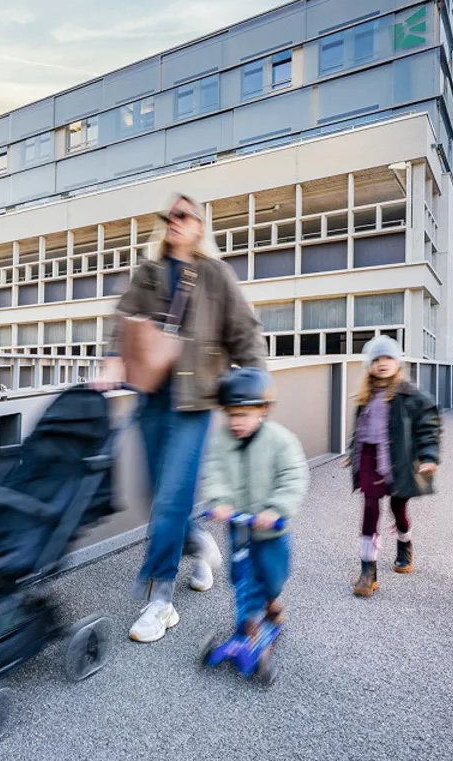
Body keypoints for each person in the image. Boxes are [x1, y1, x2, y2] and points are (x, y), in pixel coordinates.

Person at [95, 193, 266, 643]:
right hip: (150, 399)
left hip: (193, 405)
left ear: (198, 227)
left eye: (183, 215)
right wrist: (113, 359)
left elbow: (245, 333)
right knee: (154, 496)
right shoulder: (149, 273)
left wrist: (256, 391)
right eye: (169, 215)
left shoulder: (214, 275)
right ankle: (198, 543)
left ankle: (160, 602)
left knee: (171, 498)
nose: (173, 220)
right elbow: (123, 322)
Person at [199, 368, 308, 636]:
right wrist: (220, 501)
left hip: (271, 528)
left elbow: (294, 476)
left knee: (273, 577)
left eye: (243, 415)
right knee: (240, 577)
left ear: (263, 410)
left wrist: (277, 509)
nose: (235, 422)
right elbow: (215, 471)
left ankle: (271, 600)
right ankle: (248, 623)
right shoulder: (222, 440)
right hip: (240, 527)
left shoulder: (281, 440)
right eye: (230, 415)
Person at [346, 335, 442, 597]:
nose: (382, 363)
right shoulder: (365, 396)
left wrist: (429, 456)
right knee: (369, 507)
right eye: (376, 359)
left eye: (388, 357)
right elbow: (359, 429)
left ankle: (404, 543)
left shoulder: (410, 395)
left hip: (398, 458)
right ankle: (368, 571)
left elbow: (428, 426)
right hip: (369, 456)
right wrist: (351, 452)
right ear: (370, 365)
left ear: (397, 362)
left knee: (398, 507)